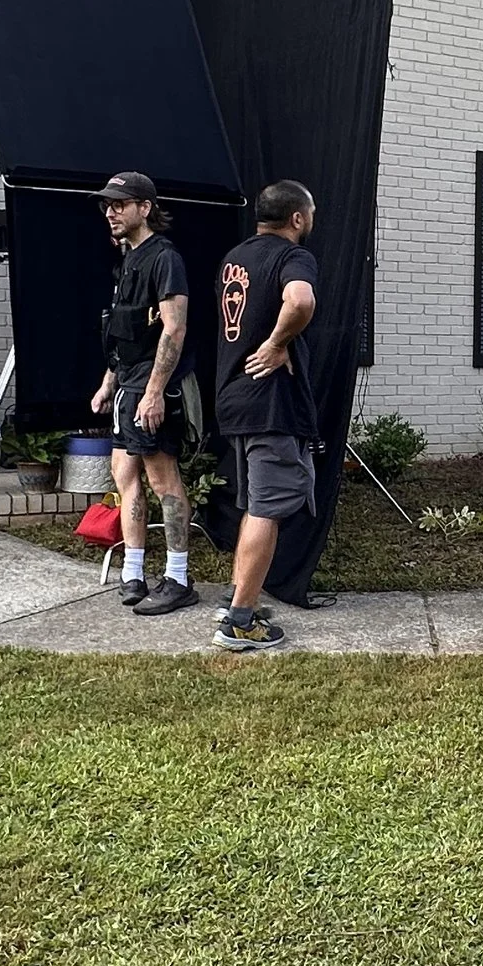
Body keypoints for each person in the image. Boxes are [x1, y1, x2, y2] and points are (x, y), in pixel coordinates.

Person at [212, 180, 322, 652]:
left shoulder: (235, 258)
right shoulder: (294, 256)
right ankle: (239, 622)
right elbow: (300, 300)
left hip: (235, 399)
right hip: (270, 404)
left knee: (254, 505)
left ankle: (239, 599)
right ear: (297, 218)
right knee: (267, 509)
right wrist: (278, 344)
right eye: (310, 213)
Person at [88, 171, 199, 618]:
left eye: (120, 204)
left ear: (145, 208)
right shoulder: (127, 258)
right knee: (123, 473)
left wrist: (154, 392)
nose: (110, 212)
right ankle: (133, 572)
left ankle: (178, 578)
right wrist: (108, 382)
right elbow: (126, 332)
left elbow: (175, 328)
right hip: (127, 384)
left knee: (162, 479)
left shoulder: (164, 258)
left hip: (153, 387)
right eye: (107, 205)